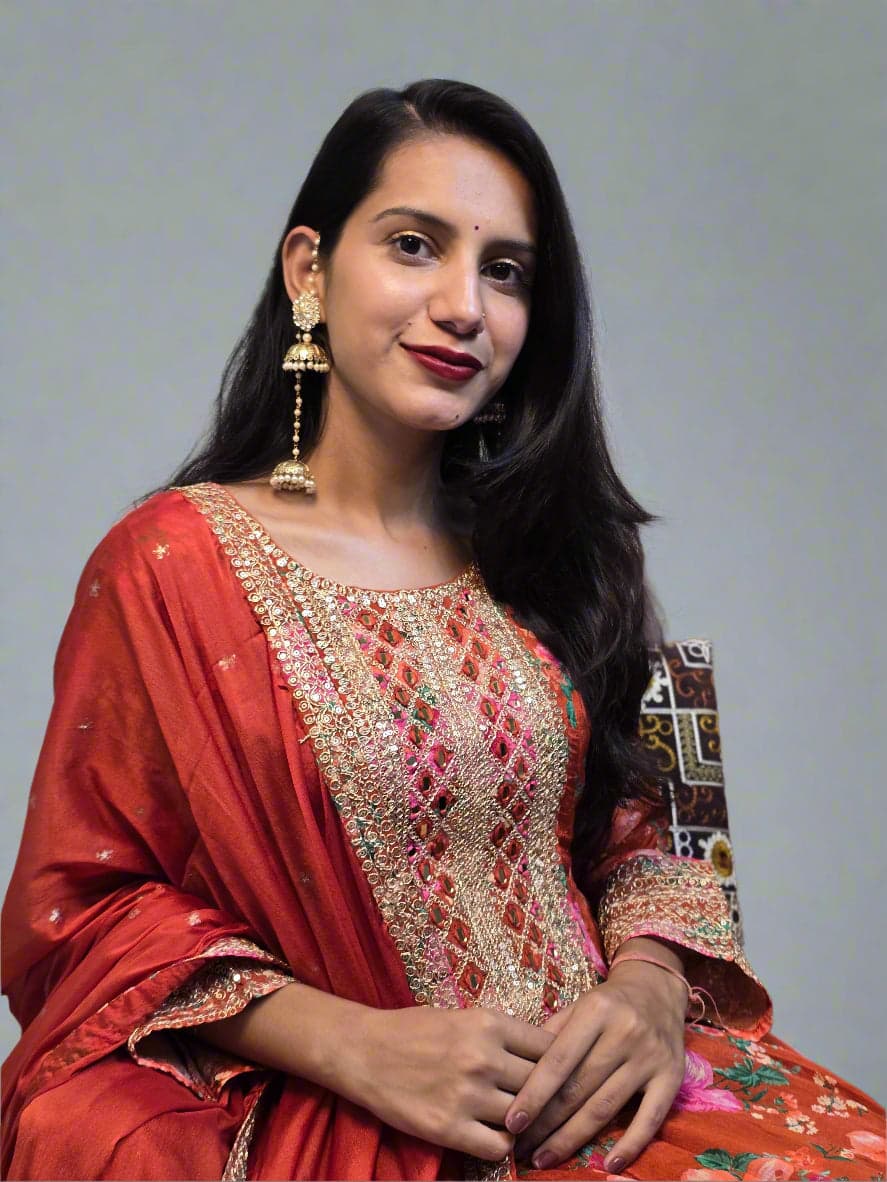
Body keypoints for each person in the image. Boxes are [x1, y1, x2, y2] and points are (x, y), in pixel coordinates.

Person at [1, 78, 882, 1182]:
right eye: (414, 245)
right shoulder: (171, 567)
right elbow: (84, 907)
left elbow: (649, 831)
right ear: (309, 271)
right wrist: (354, 1044)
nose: (464, 305)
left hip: (622, 1097)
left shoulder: (561, 551)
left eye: (504, 270)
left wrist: (652, 992)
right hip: (362, 1114)